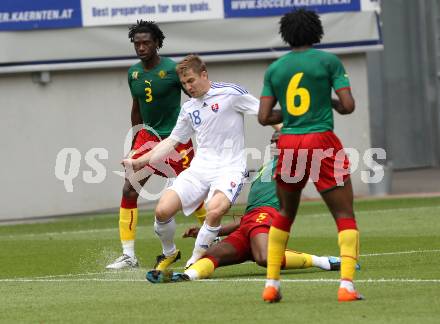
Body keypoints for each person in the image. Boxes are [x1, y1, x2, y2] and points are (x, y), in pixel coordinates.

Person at [145, 132, 357, 284]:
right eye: (272, 140)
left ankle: (325, 262)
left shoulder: (293, 162)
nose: (274, 142)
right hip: (250, 223)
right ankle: (183, 277)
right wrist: (214, 231)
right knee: (208, 257)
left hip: (266, 218)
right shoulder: (266, 167)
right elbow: (247, 218)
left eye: (278, 138)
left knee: (264, 258)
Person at [123, 54, 270, 270]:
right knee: (162, 211)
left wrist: (285, 133)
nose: (188, 87)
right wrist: (140, 161)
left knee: (214, 210)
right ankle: (170, 252)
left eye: (191, 81)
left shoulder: (230, 93)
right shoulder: (189, 109)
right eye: (184, 83)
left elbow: (265, 114)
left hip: (229, 169)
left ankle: (195, 259)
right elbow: (171, 142)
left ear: (204, 74)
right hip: (199, 170)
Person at [258, 9, 363, 302]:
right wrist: (325, 101)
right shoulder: (329, 62)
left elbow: (264, 116)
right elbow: (348, 105)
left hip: (289, 142)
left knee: (285, 213)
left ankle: (272, 285)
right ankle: (346, 286)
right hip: (322, 140)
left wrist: (291, 114)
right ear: (316, 31)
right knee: (344, 214)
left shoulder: (275, 69)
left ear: (285, 34)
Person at [106, 21, 206, 270]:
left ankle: (211, 236)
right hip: (147, 139)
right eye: (137, 43)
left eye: (146, 42)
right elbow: (136, 108)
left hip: (176, 139)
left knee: (193, 194)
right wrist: (134, 142)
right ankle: (129, 255)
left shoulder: (174, 70)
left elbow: (197, 95)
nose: (141, 47)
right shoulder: (133, 74)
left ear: (157, 43)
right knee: (129, 189)